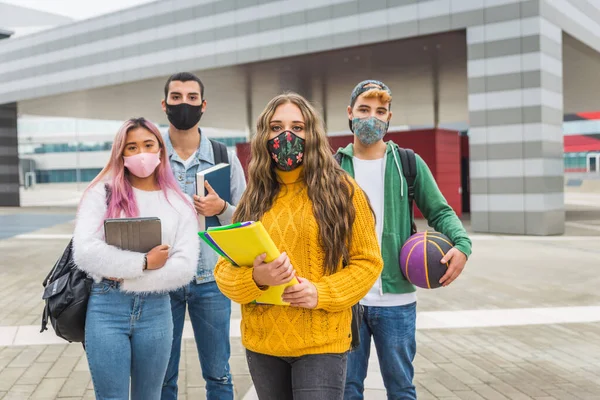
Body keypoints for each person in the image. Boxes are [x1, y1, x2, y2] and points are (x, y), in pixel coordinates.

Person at [214, 92, 384, 400]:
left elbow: (368, 262)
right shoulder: (254, 196)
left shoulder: (342, 190)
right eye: (276, 127)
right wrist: (256, 279)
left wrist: (320, 292)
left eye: (297, 127)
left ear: (312, 134)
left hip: (322, 341)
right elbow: (224, 269)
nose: (286, 135)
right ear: (264, 136)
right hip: (263, 343)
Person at [336, 80, 473, 400]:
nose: (372, 118)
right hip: (347, 300)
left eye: (380, 111)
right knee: (346, 389)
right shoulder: (333, 168)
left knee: (401, 389)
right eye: (364, 110)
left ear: (389, 117)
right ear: (350, 114)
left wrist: (463, 246)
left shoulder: (408, 163)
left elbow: (440, 212)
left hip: (396, 301)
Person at [72, 117, 198, 400]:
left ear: (160, 150)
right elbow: (85, 251)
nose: (141, 152)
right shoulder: (101, 193)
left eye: (148, 144)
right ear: (121, 153)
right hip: (107, 306)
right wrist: (143, 263)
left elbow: (184, 267)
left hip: (156, 310)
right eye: (131, 147)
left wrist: (123, 269)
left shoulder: (181, 203)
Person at [160, 72, 246, 400]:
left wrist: (221, 206)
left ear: (203, 105)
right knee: (160, 377)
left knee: (219, 375)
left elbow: (249, 216)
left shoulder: (225, 158)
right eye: (177, 97)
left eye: (192, 98)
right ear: (165, 104)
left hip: (211, 282)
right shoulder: (150, 157)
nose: (184, 104)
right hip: (161, 282)